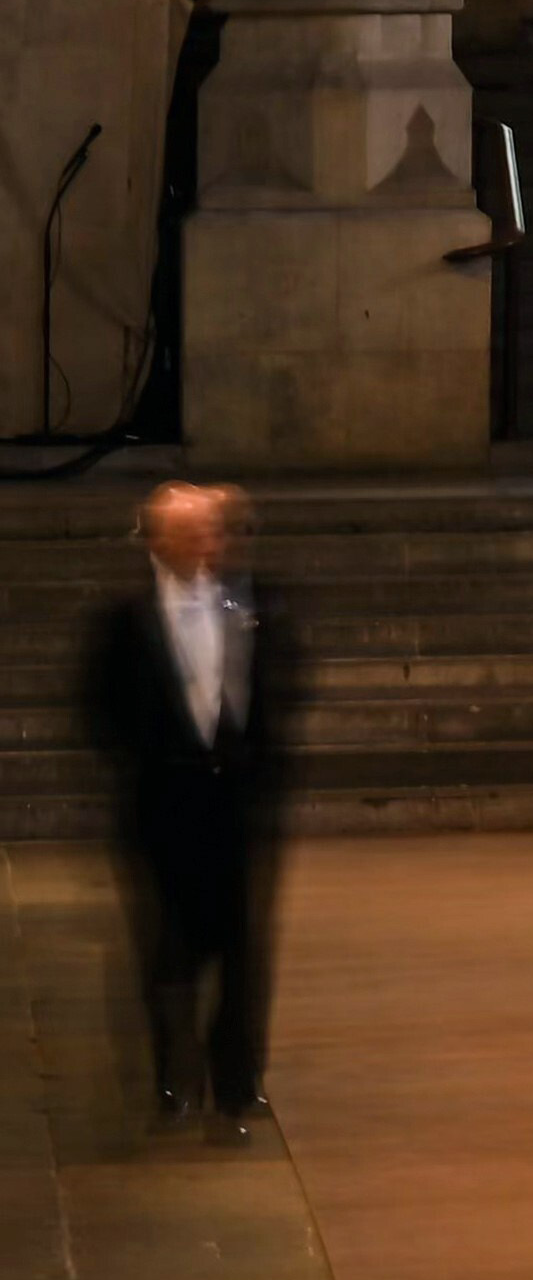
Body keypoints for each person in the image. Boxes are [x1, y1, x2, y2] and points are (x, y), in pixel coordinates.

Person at [74, 481, 295, 1138]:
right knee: (169, 947)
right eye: (192, 532)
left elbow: (278, 684)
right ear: (157, 541)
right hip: (161, 806)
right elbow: (98, 706)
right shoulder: (125, 617)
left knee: (241, 947)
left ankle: (236, 1086)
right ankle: (173, 1076)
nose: (209, 543)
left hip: (236, 804)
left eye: (213, 530)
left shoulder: (248, 601)